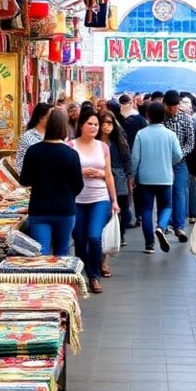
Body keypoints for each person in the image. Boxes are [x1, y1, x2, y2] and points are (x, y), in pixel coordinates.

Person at [19, 109, 84, 257]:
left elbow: (24, 180)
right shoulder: (71, 154)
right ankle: (61, 280)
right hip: (65, 209)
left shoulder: (33, 151)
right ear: (63, 127)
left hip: (39, 208)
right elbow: (78, 185)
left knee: (40, 254)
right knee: (62, 252)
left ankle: (43, 280)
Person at [70, 108, 120, 293]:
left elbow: (108, 175)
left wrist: (114, 200)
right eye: (90, 123)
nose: (93, 127)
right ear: (81, 125)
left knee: (94, 236)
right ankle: (83, 274)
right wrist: (80, 172)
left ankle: (94, 276)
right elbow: (65, 174)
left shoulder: (103, 147)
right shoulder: (71, 146)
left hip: (100, 198)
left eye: (96, 124)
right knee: (80, 239)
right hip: (76, 199)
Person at [130, 102, 182, 253]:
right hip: (165, 176)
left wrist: (133, 176)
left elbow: (135, 158)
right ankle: (161, 226)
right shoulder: (170, 134)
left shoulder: (141, 134)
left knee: (146, 209)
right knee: (166, 206)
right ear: (164, 116)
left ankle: (149, 244)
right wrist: (168, 161)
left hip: (145, 178)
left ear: (148, 116)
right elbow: (178, 155)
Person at [99, 110, 132, 268]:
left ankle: (104, 259)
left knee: (118, 214)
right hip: (98, 181)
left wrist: (129, 177)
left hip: (118, 179)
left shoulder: (119, 141)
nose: (106, 126)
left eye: (109, 123)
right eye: (103, 123)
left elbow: (127, 159)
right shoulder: (94, 142)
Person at [163, 89, 194, 241]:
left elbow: (190, 142)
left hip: (181, 162)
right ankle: (165, 224)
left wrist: (180, 154)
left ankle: (179, 227)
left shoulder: (186, 119)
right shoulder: (160, 119)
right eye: (170, 107)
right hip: (163, 162)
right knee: (166, 192)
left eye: (175, 107)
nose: (173, 110)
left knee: (179, 192)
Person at [15, 102, 51, 172]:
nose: (54, 120)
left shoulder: (54, 136)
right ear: (41, 118)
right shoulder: (27, 137)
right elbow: (20, 165)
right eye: (51, 117)